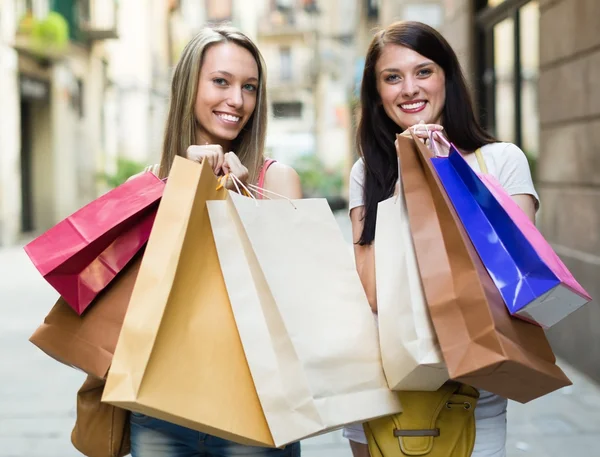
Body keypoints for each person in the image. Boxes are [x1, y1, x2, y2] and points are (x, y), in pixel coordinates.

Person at [346, 21, 538, 457]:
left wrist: (445, 174)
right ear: (378, 95)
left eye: (424, 71)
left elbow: (517, 283)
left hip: (473, 395)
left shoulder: (502, 162)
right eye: (392, 77)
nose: (409, 88)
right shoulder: (369, 172)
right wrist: (405, 177)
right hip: (382, 392)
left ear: (447, 76)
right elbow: (373, 292)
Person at [130, 24, 302, 457]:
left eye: (249, 87)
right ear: (189, 86)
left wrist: (242, 204)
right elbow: (134, 302)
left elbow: (291, 304)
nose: (237, 101)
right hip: (159, 409)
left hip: (256, 408)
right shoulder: (146, 187)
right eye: (221, 82)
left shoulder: (275, 181)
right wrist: (181, 188)